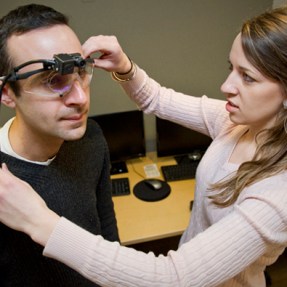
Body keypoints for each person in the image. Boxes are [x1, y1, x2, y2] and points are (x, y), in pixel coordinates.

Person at [1, 5, 287, 287]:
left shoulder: (278, 196)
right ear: (7, 92)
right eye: (53, 80)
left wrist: (37, 220)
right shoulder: (235, 123)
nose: (226, 85)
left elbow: (172, 278)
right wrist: (125, 67)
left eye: (247, 77)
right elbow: (157, 99)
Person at [0, 4, 119, 287]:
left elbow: (108, 235)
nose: (79, 97)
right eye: (53, 80)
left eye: (80, 73)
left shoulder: (90, 138)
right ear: (7, 93)